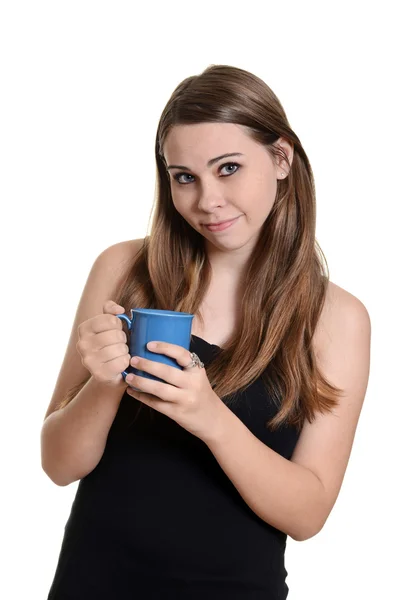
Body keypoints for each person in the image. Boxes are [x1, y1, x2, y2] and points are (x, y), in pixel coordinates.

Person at [41, 64, 371, 599]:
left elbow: (308, 514)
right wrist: (104, 384)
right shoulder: (124, 269)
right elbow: (58, 464)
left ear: (282, 158)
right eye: (184, 177)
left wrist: (210, 418)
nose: (206, 200)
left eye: (229, 168)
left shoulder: (336, 318)